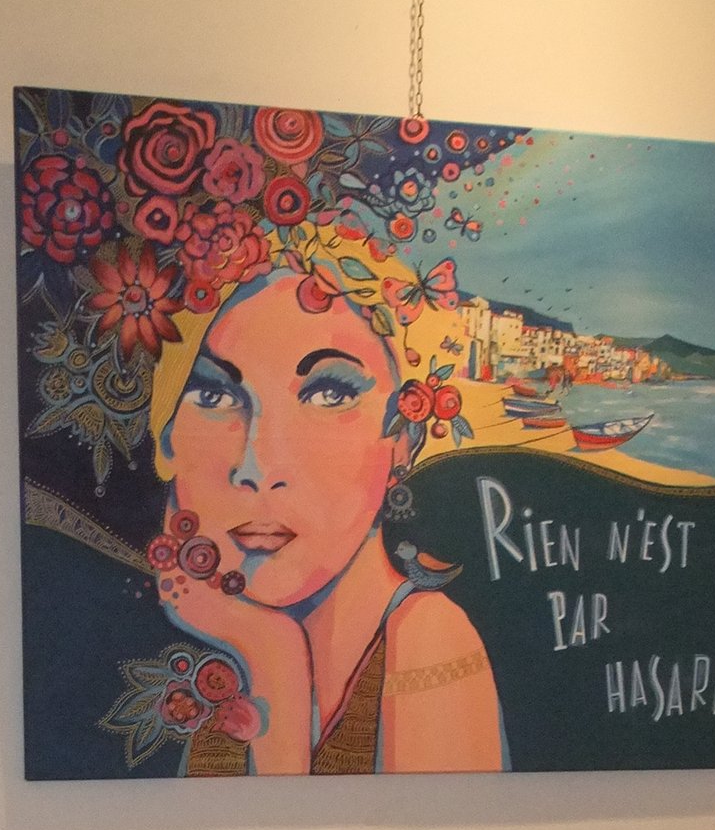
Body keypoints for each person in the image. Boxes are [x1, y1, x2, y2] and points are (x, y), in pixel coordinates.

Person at [146, 264, 503, 774]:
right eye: (214, 396)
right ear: (166, 440)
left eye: (329, 395)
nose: (258, 467)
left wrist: (274, 660)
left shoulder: (429, 639)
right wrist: (264, 646)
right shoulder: (214, 657)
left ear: (403, 440)